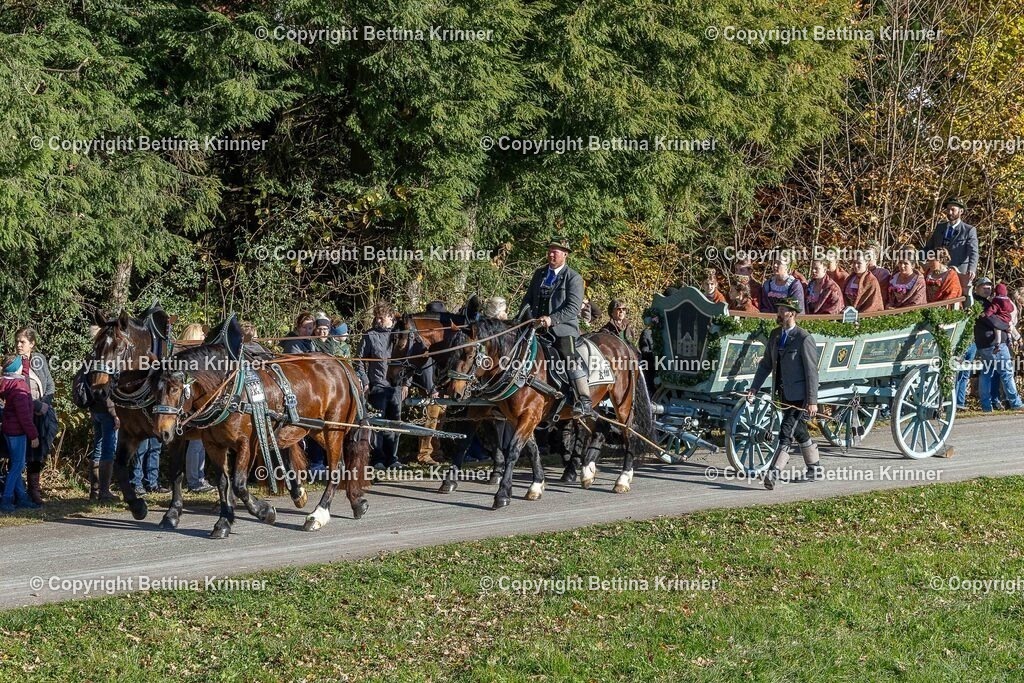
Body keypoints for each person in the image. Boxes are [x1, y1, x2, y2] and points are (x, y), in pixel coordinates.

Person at [746, 298, 821, 490]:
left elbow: (812, 371)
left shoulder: (804, 338)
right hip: (783, 394)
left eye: (783, 310)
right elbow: (766, 365)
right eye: (778, 309)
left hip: (800, 396)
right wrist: (754, 387)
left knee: (786, 431)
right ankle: (815, 469)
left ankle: (773, 474)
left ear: (792, 313)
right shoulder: (774, 335)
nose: (779, 313)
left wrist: (812, 401)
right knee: (798, 430)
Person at [521, 236, 592, 417]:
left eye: (555, 251)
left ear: (565, 254)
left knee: (569, 357)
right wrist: (524, 318)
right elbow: (528, 300)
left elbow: (573, 308)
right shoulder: (539, 274)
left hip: (563, 329)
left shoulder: (574, 278)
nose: (551, 254)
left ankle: (583, 400)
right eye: (550, 250)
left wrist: (552, 320)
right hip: (536, 327)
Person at [357, 302, 408, 468]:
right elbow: (359, 361)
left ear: (390, 317)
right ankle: (378, 458)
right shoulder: (370, 335)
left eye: (381, 318)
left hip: (396, 387)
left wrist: (406, 383)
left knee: (396, 423)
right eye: (376, 317)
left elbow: (409, 360)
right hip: (377, 385)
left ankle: (393, 457)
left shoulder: (399, 335)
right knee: (379, 423)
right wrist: (365, 381)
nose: (378, 321)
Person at [76, 328, 120, 501]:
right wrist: (115, 413)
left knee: (98, 447)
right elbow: (105, 390)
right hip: (106, 411)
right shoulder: (104, 359)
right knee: (108, 449)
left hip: (94, 409)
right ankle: (103, 491)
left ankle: (94, 490)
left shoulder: (90, 357)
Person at [15, 327, 56, 505]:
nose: (18, 345)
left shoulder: (40, 360)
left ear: (32, 344)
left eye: (22, 342)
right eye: (17, 341)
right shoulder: (13, 362)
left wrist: (44, 403)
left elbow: (50, 385)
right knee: (18, 454)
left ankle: (34, 490)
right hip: (20, 414)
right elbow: (15, 391)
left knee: (38, 453)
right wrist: (36, 405)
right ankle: (17, 490)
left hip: (41, 413)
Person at [973, 279, 1024, 412]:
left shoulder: (986, 302)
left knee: (986, 373)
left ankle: (986, 406)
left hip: (983, 343)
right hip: (994, 344)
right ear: (976, 288)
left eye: (989, 287)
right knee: (1006, 373)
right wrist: (1007, 326)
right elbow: (994, 321)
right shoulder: (981, 304)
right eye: (984, 287)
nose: (987, 289)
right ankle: (1016, 403)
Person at [0, 355, 41, 512]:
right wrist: (34, 435)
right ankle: (7, 499)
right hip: (18, 432)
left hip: (8, 430)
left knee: (17, 464)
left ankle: (22, 497)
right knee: (17, 466)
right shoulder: (20, 388)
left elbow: (22, 372)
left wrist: (24, 361)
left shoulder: (8, 381)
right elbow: (24, 417)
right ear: (16, 370)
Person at [179, 323, 214, 493]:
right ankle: (194, 480)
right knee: (195, 442)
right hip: (188, 404)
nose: (203, 337)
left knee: (200, 443)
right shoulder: (184, 354)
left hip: (200, 403)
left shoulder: (199, 354)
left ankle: (199, 478)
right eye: (201, 334)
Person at [924, 197, 979, 299]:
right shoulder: (940, 227)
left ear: (961, 211)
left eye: (953, 209)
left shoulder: (969, 230)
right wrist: (918, 258)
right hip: (939, 270)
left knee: (957, 299)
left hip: (959, 270)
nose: (949, 212)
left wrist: (972, 269)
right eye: (948, 209)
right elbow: (929, 247)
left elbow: (973, 252)